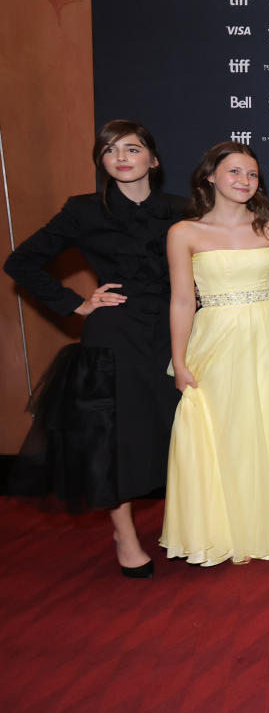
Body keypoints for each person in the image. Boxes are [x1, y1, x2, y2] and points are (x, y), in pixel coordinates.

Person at [4, 120, 185, 578]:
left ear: (154, 159)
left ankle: (183, 524)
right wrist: (76, 303)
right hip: (115, 334)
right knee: (116, 436)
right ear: (101, 163)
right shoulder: (84, 211)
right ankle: (124, 533)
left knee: (178, 431)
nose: (121, 157)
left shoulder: (182, 210)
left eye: (132, 148)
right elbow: (20, 260)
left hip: (174, 331)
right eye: (109, 151)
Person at [160, 141, 269, 566]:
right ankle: (224, 529)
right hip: (217, 342)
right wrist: (180, 361)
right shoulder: (184, 233)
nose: (244, 181)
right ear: (210, 176)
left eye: (252, 174)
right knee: (225, 433)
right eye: (235, 172)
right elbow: (183, 301)